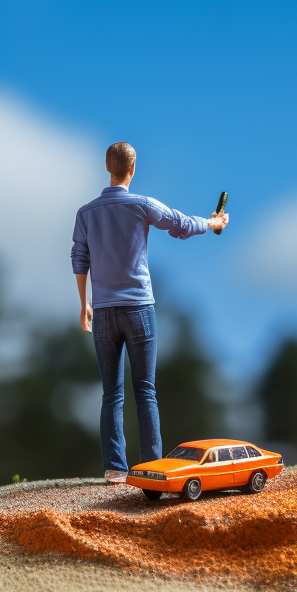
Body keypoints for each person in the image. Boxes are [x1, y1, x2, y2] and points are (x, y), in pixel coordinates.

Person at [71, 142, 228, 482]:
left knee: (111, 391)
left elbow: (79, 257)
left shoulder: (86, 213)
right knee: (145, 389)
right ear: (133, 167)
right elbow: (181, 225)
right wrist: (213, 222)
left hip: (104, 308)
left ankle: (115, 467)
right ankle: (152, 466)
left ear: (106, 166)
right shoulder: (141, 205)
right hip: (139, 306)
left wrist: (84, 302)